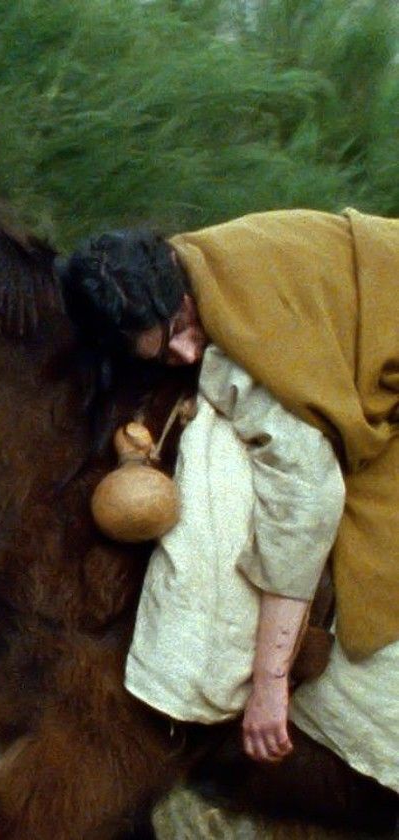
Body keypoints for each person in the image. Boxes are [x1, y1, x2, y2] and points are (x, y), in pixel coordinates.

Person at [57, 208, 398, 793]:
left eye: (183, 324)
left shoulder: (248, 338)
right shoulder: (197, 257)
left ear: (172, 273)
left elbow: (308, 496)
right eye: (163, 354)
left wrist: (270, 680)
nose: (188, 354)